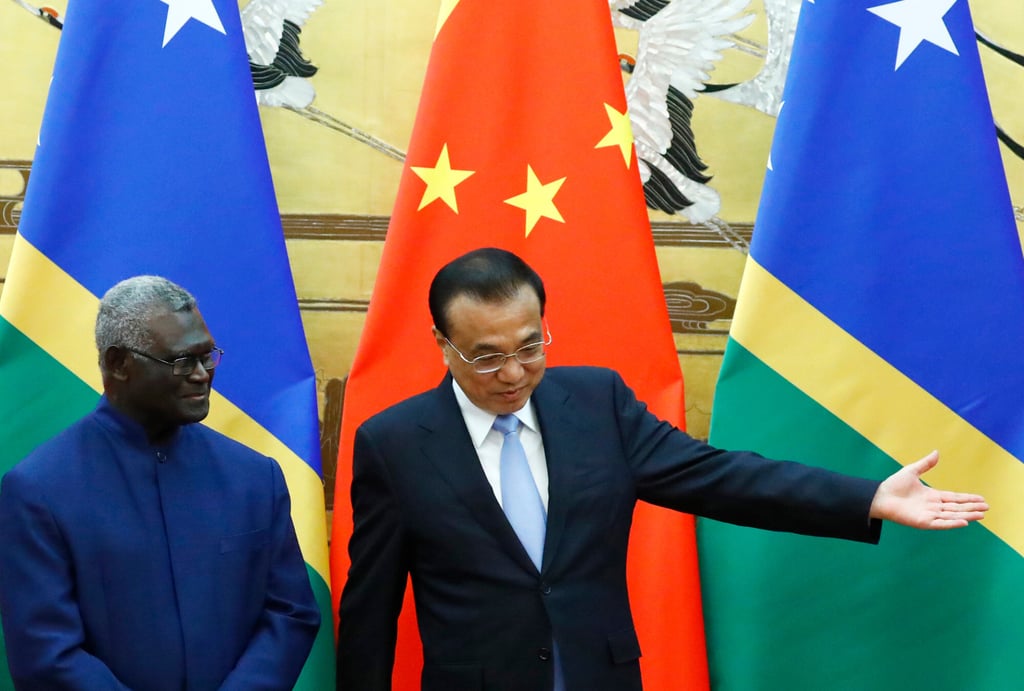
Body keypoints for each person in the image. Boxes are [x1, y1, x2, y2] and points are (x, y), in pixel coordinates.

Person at [335, 247, 988, 691]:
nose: (513, 373)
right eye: (486, 356)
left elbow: (722, 477)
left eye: (530, 346)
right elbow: (371, 609)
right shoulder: (395, 443)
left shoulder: (596, 404)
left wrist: (868, 496)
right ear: (442, 346)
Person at [0, 275, 320, 690]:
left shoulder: (256, 477)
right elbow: (44, 652)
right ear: (119, 364)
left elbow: (290, 611)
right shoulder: (38, 490)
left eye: (207, 357)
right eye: (182, 361)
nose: (202, 375)